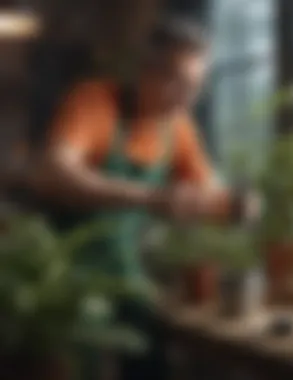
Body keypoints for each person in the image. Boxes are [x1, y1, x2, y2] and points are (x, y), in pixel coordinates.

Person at [28, 18, 261, 379]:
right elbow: (54, 172)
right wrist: (150, 196)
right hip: (62, 274)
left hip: (122, 273)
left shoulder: (178, 126)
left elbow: (206, 196)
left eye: (195, 86)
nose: (186, 97)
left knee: (149, 353)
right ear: (144, 71)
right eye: (176, 82)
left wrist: (237, 204)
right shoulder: (95, 100)